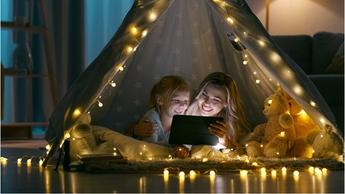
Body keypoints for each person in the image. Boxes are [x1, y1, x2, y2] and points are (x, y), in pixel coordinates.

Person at [133, 72, 249, 149]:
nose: (207, 103)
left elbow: (234, 149)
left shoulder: (225, 124)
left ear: (226, 104)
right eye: (204, 94)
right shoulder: (185, 107)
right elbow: (152, 123)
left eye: (216, 100)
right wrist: (136, 130)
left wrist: (223, 139)